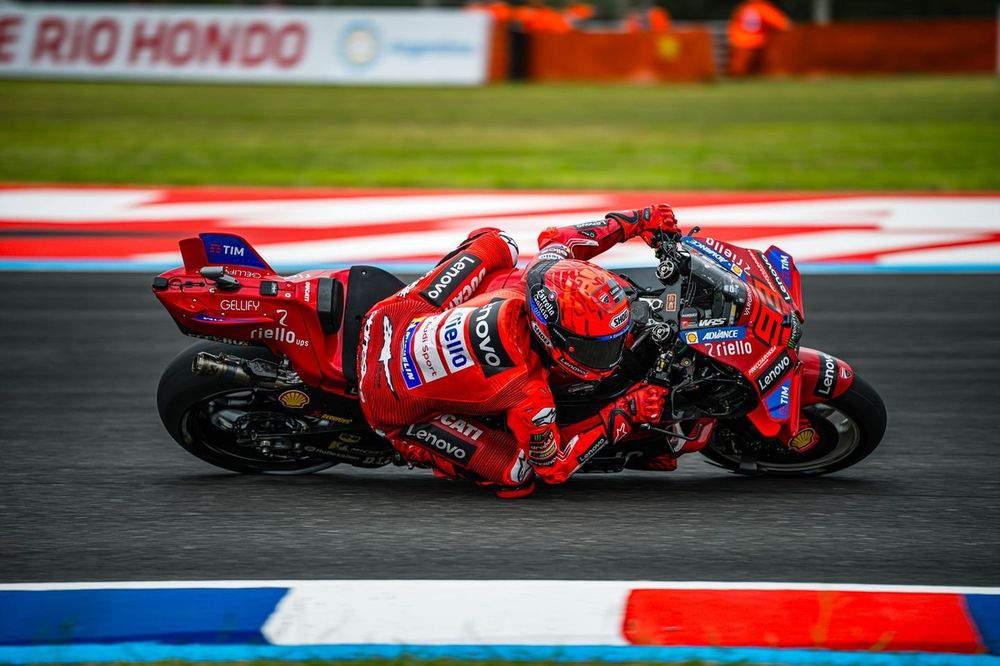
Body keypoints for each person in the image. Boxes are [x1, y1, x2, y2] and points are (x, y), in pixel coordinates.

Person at [357, 204, 680, 498]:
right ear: (551, 337)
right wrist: (625, 411)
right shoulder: (530, 396)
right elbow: (554, 467)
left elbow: (560, 237)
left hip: (392, 318)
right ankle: (407, 443)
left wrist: (639, 220)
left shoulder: (540, 275)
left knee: (497, 242)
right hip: (388, 398)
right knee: (517, 475)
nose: (612, 352)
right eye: (596, 347)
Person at [727, 0, 790, 77]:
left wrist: (733, 38)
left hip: (739, 41)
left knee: (738, 69)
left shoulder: (743, 8)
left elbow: (733, 25)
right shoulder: (762, 8)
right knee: (758, 68)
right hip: (755, 41)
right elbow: (782, 24)